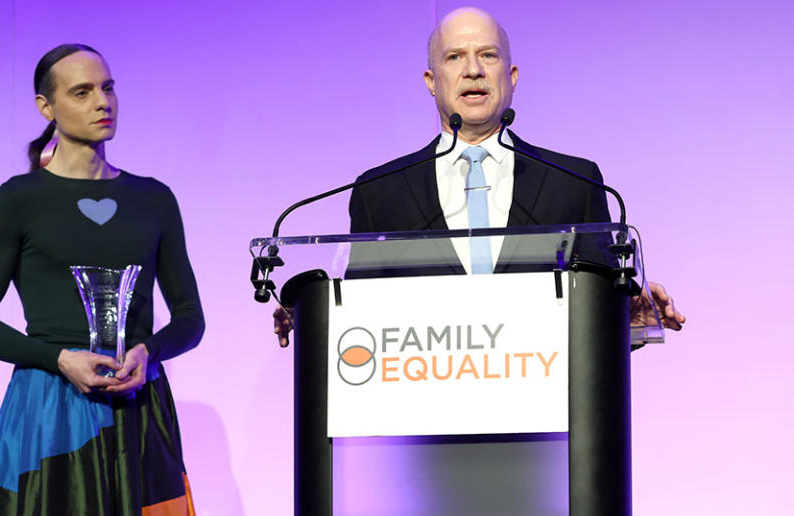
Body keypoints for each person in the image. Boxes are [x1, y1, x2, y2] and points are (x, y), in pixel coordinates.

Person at [0, 44, 211, 516]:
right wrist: (57, 358)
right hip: (51, 411)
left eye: (109, 88)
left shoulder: (153, 198)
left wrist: (151, 351)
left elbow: (191, 317)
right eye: (82, 92)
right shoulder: (20, 199)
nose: (103, 102)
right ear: (46, 106)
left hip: (139, 410)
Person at [274, 7, 684, 346]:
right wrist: (315, 317)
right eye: (454, 57)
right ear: (432, 83)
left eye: (487, 55)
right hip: (422, 422)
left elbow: (598, 309)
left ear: (512, 76)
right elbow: (362, 317)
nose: (473, 70)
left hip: (546, 422)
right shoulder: (379, 192)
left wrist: (627, 319)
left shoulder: (576, 182)